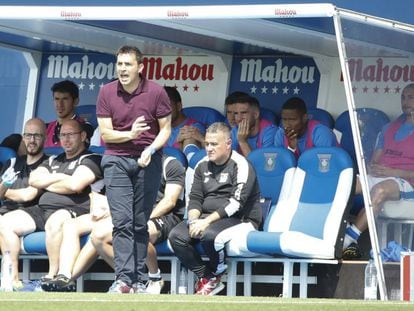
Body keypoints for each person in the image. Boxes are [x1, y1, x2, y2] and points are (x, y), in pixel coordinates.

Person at [41, 154, 186, 294]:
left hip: (162, 216)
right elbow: (109, 195)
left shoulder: (170, 163)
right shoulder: (127, 162)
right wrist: (107, 209)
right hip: (128, 213)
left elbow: (169, 201)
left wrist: (140, 218)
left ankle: (147, 277)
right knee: (71, 225)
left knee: (101, 235)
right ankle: (64, 275)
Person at [96, 45, 172, 294]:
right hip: (116, 159)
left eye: (127, 64)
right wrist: (130, 134)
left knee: (140, 223)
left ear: (140, 67)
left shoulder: (157, 92)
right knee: (122, 222)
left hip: (147, 161)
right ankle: (123, 279)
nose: (122, 69)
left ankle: (139, 280)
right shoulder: (107, 91)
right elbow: (106, 134)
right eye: (119, 64)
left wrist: (150, 150)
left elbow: (166, 130)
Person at [0, 119, 103, 289]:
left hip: (73, 209)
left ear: (83, 136)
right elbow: (34, 180)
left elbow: (76, 185)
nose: (66, 139)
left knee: (55, 222)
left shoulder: (92, 158)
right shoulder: (54, 159)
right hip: (42, 209)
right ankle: (12, 279)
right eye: (62, 135)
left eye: (70, 135)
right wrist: (64, 180)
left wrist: (50, 182)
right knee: (4, 223)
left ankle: (51, 276)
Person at [169, 122, 262, 295]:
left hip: (240, 219)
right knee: (176, 236)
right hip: (205, 217)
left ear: (228, 144)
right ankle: (208, 277)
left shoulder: (241, 165)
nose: (209, 148)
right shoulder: (201, 165)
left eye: (214, 144)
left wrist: (206, 222)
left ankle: (218, 271)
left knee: (210, 234)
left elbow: (236, 203)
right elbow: (195, 198)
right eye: (207, 144)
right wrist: (195, 220)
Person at [342, 83, 414, 259]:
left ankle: (349, 239)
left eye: (411, 97)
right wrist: (371, 168)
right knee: (346, 184)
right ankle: (334, 231)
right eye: (403, 97)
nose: (405, 102)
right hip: (383, 176)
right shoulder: (389, 128)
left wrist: (393, 172)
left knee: (379, 190)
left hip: (405, 181)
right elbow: (375, 160)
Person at [0, 119, 48, 218]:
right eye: (28, 135)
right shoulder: (12, 163)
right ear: (23, 138)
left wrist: (4, 191)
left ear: (45, 138)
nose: (32, 140)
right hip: (4, 212)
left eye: (37, 136)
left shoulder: (48, 164)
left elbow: (27, 195)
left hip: (26, 215)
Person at [273, 97, 338, 158]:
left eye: (292, 119)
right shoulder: (281, 134)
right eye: (284, 119)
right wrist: (291, 148)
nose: (287, 124)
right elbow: (280, 164)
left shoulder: (320, 133)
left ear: (305, 118)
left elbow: (323, 165)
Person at [45, 80, 94, 147]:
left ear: (76, 101)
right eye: (56, 99)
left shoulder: (85, 127)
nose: (59, 104)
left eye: (65, 99)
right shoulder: (45, 128)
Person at [164, 86, 205, 161]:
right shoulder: (158, 128)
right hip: (159, 170)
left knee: (189, 138)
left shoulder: (194, 127)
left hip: (182, 171)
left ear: (178, 106)